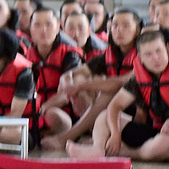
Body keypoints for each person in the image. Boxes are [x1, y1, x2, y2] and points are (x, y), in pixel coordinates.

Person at [67, 28, 169, 162]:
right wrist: (115, 134)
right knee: (105, 116)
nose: (155, 58)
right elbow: (115, 106)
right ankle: (98, 149)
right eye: (148, 54)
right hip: (156, 129)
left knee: (159, 145)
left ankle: (121, 153)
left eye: (159, 51)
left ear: (168, 48)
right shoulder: (140, 76)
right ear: (140, 57)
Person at [53, 8, 141, 147]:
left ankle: (70, 135)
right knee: (81, 79)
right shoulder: (109, 54)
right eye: (115, 25)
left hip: (139, 112)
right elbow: (73, 74)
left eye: (125, 25)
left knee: (106, 91)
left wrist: (80, 87)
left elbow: (119, 83)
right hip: (114, 110)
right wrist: (70, 84)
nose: (119, 30)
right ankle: (92, 133)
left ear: (137, 30)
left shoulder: (143, 54)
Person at [26, 8, 84, 137]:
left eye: (48, 24)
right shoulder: (24, 55)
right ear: (30, 30)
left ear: (58, 27)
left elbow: (67, 92)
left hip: (60, 113)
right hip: (32, 110)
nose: (44, 30)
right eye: (38, 25)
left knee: (53, 115)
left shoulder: (70, 55)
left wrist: (42, 108)